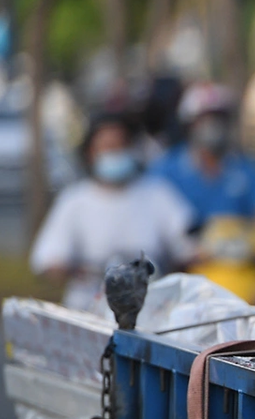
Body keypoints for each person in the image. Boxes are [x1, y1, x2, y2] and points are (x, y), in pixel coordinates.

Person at [30, 113, 193, 312]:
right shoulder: (75, 200)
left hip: (152, 311)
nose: (115, 153)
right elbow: (49, 259)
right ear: (91, 153)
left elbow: (188, 244)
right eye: (108, 147)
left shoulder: (158, 194)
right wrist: (78, 270)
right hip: (88, 310)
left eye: (120, 146)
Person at [151, 82, 255, 237]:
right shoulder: (166, 169)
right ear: (189, 124)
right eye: (204, 119)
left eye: (218, 118)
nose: (212, 126)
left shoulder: (246, 168)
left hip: (241, 253)